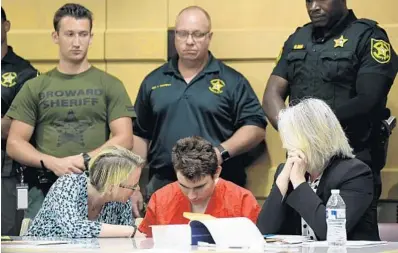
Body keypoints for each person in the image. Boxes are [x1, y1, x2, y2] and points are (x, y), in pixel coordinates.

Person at [6, 3, 135, 220]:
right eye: (69, 34)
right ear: (56, 37)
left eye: (83, 34)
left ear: (91, 37)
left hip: (95, 187)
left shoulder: (110, 84)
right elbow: (14, 143)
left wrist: (84, 159)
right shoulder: (35, 86)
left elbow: (125, 138)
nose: (77, 42)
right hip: (44, 188)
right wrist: (52, 162)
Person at [132, 6, 267, 214]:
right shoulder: (153, 81)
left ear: (209, 36)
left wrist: (219, 152)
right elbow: (140, 135)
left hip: (218, 184)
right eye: (183, 34)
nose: (189, 41)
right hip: (165, 185)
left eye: (197, 34)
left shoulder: (231, 80)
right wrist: (132, 184)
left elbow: (255, 127)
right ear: (175, 36)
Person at [262, 0, 397, 201]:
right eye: (308, 1)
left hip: (352, 161)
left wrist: (314, 127)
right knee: (295, 230)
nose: (313, 6)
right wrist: (291, 130)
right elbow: (271, 95)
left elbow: (369, 99)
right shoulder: (298, 38)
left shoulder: (368, 36)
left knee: (344, 230)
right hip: (302, 162)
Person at [257, 98, 379, 241]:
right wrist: (281, 184)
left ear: (314, 139)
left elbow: (331, 232)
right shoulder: (286, 172)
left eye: (291, 138)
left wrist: (299, 183)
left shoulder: (355, 173)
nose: (285, 146)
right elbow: (263, 232)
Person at [138, 136, 260, 237]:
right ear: (176, 173)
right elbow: (146, 243)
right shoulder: (160, 199)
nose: (192, 196)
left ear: (216, 172)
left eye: (200, 187)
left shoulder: (243, 200)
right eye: (184, 186)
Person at [26, 146, 145, 238]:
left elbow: (125, 239)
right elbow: (73, 228)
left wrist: (129, 231)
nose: (137, 189)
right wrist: (130, 231)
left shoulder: (121, 200)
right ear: (111, 185)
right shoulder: (68, 184)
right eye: (132, 186)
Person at [1, 7, 39, 235]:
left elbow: (12, 129)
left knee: (5, 237)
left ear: (6, 26)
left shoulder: (25, 72)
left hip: (7, 172)